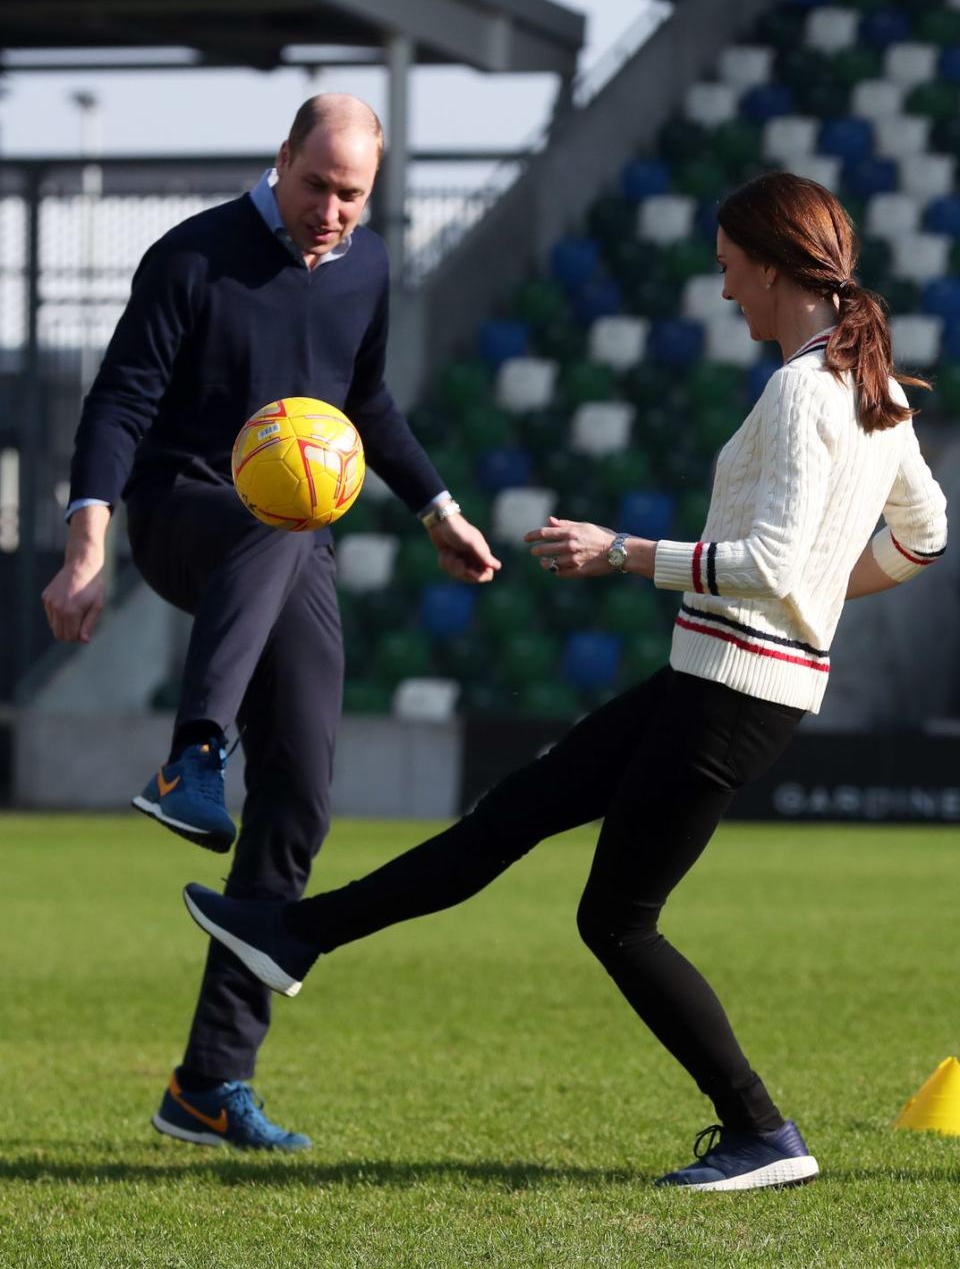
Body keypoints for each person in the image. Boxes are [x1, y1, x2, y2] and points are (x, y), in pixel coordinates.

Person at [178, 171, 948, 1188]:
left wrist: (622, 550)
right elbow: (926, 537)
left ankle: (765, 1132)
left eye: (728, 271)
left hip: (736, 690)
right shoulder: (874, 388)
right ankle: (295, 934)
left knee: (616, 920)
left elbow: (770, 563)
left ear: (770, 265)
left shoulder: (805, 390)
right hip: (719, 675)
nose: (725, 293)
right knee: (515, 812)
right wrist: (826, 599)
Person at [41, 94, 499, 1151]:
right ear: (281, 157)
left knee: (299, 799)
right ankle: (192, 755)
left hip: (294, 534)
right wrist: (86, 547)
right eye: (318, 184)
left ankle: (208, 1083)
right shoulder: (192, 256)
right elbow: (117, 402)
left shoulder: (369, 268)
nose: (334, 210)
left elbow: (367, 403)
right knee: (285, 504)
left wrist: (439, 508)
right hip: (182, 510)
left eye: (355, 194)